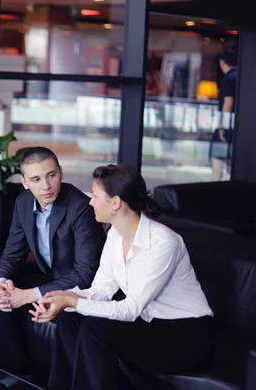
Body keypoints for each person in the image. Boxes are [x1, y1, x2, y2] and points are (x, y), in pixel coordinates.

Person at [30, 164, 214, 390]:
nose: (90, 202)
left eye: (95, 196)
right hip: (149, 325)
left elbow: (130, 309)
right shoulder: (115, 235)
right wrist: (64, 297)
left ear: (115, 203)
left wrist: (72, 301)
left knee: (95, 328)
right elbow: (101, 291)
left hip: (185, 336)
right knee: (71, 318)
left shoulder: (163, 242)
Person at [0, 147, 105, 375]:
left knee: (19, 293)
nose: (46, 186)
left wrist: (27, 295)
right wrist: (2, 284)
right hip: (51, 275)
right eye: (36, 179)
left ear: (61, 173)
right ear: (25, 182)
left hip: (78, 286)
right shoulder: (23, 203)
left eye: (51, 175)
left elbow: (86, 275)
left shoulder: (81, 207)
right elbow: (12, 253)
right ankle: (12, 371)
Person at [209, 49, 237, 181]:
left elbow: (228, 103)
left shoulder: (228, 79)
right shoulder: (240, 77)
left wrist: (222, 127)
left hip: (228, 125)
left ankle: (214, 192)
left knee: (217, 163)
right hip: (238, 125)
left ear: (222, 63)